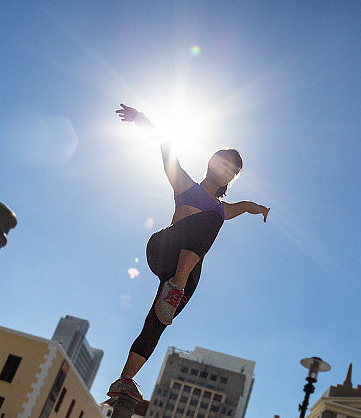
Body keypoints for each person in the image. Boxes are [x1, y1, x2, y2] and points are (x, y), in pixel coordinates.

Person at [108, 103, 269, 402]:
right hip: (164, 250)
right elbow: (165, 145)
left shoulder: (224, 207)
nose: (227, 171)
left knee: (157, 322)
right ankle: (176, 286)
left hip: (188, 272)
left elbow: (244, 206)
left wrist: (259, 208)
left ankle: (124, 379)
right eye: (224, 163)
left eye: (233, 171)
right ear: (211, 161)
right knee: (212, 218)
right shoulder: (184, 184)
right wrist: (141, 119)